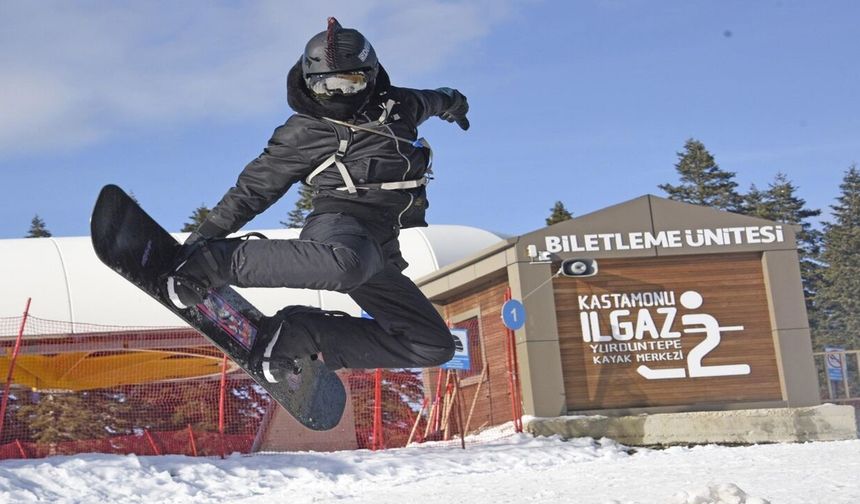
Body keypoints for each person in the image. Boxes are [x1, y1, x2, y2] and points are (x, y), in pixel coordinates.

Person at [165, 17, 469, 381]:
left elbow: (439, 99)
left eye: (348, 82)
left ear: (370, 76)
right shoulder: (307, 129)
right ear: (309, 81)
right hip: (341, 225)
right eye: (325, 85)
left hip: (379, 247)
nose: (336, 94)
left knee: (433, 345)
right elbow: (254, 189)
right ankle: (215, 263)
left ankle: (300, 333)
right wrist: (200, 241)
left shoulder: (401, 105)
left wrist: (456, 104)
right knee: (346, 266)